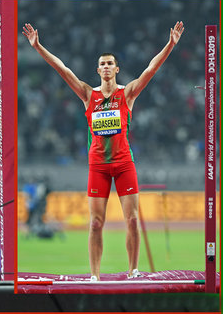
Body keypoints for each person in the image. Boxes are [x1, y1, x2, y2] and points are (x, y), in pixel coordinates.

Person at [23, 22, 184, 281]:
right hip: (98, 166)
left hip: (123, 165)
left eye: (111, 63)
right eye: (103, 64)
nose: (107, 67)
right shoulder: (88, 95)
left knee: (132, 220)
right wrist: (38, 47)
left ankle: (133, 270)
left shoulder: (127, 94)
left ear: (116, 69)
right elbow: (62, 70)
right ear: (98, 70)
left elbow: (151, 69)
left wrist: (171, 44)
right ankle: (95, 276)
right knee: (96, 223)